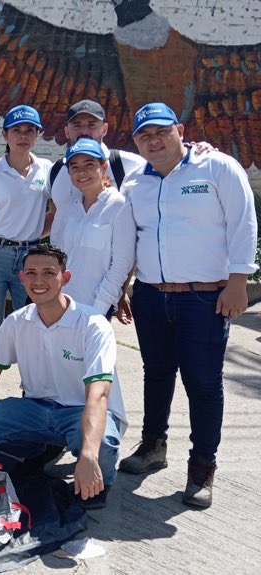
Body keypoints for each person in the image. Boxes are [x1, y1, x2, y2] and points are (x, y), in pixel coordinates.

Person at [117, 102, 259, 508]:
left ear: (180, 130)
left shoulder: (217, 168)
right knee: (156, 374)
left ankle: (201, 468)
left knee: (203, 383)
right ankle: (153, 446)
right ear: (136, 142)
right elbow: (132, 238)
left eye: (162, 131)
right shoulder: (134, 184)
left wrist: (238, 284)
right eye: (145, 135)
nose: (154, 140)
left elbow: (243, 223)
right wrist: (126, 286)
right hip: (150, 296)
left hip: (205, 298)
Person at [0, 243, 126, 509]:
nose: (39, 281)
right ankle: (36, 451)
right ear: (22, 277)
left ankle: (99, 483)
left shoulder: (93, 324)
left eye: (49, 273)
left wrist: (87, 454)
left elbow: (99, 394)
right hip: (36, 408)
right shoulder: (16, 321)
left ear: (65, 277)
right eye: (32, 273)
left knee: (101, 445)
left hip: (81, 410)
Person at [0, 104, 53, 369]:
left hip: (31, 258)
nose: (23, 136)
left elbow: (59, 209)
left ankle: (31, 388)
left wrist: (32, 233)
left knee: (31, 324)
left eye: (29, 130)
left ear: (37, 134)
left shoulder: (47, 170)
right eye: (16, 130)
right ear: (5, 135)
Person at [50, 138, 135, 317]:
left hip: (95, 308)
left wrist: (100, 307)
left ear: (103, 167)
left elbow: (121, 264)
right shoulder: (67, 208)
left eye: (89, 165)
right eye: (74, 167)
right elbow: (54, 257)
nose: (82, 172)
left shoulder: (119, 206)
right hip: (59, 304)